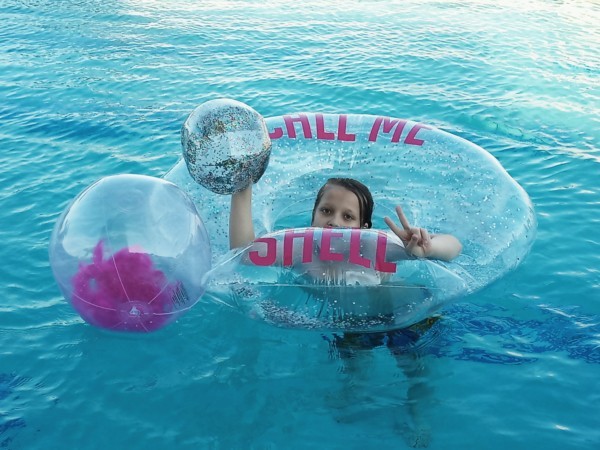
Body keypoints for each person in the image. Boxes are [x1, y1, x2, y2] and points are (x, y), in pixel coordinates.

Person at [229, 178, 462, 447]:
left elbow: (454, 247)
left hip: (406, 314)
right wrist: (241, 189)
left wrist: (429, 248)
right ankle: (357, 393)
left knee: (416, 372)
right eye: (326, 211)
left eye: (347, 216)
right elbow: (243, 254)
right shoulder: (298, 252)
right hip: (354, 322)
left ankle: (419, 418)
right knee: (354, 369)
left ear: (363, 229)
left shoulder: (373, 246)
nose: (334, 222)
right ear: (312, 216)